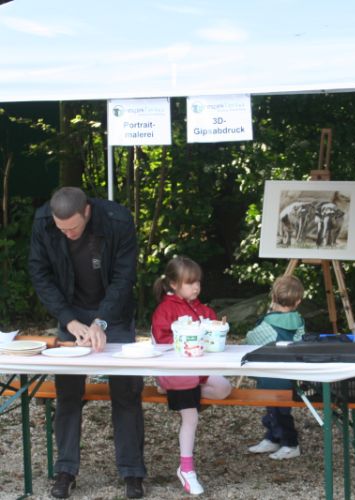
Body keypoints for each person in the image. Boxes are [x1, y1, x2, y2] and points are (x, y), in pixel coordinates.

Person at [28, 187, 146, 498]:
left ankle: (132, 472)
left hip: (114, 314)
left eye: (73, 228)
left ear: (87, 212)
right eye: (61, 229)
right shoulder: (43, 222)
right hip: (71, 313)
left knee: (126, 392)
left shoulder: (118, 221)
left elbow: (124, 277)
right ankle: (65, 470)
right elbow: (40, 274)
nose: (67, 234)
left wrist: (102, 321)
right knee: (68, 394)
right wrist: (68, 320)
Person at [151, 256, 232, 496]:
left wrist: (212, 330)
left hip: (196, 371)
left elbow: (211, 333)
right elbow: (162, 344)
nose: (196, 287)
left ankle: (174, 392)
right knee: (191, 417)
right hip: (176, 371)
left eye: (198, 282)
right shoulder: (165, 310)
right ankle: (186, 468)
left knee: (224, 388)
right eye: (190, 282)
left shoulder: (201, 308)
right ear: (173, 284)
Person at [246, 275, 305, 459]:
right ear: (298, 301)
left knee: (278, 410)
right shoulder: (299, 322)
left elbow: (251, 340)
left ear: (273, 297)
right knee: (278, 409)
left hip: (269, 375)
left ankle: (290, 443)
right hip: (291, 377)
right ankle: (273, 438)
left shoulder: (267, 323)